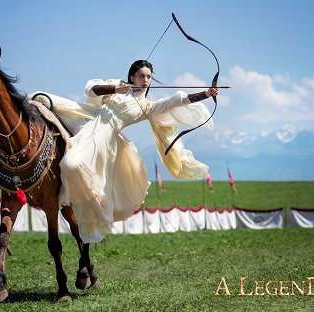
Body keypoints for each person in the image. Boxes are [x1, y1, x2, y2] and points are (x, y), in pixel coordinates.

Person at [32, 60, 217, 243]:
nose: (145, 80)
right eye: (141, 76)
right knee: (40, 99)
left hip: (104, 137)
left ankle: (68, 200)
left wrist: (206, 93)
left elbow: (177, 100)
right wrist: (115, 89)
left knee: (71, 164)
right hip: (88, 118)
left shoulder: (147, 106)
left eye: (149, 77)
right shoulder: (118, 86)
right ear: (132, 78)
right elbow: (91, 90)